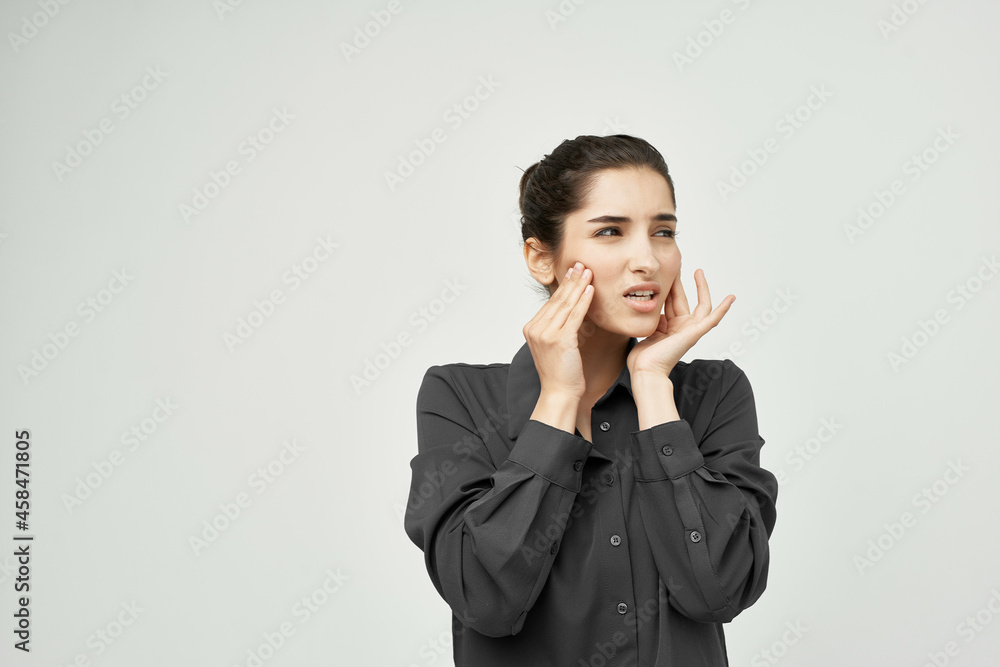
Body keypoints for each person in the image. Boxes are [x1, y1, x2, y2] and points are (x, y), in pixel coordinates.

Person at [403, 134, 779, 666]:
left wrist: (652, 384)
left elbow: (721, 589)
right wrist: (559, 399)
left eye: (663, 232)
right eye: (610, 231)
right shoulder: (459, 397)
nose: (647, 259)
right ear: (541, 258)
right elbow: (486, 601)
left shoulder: (713, 393)